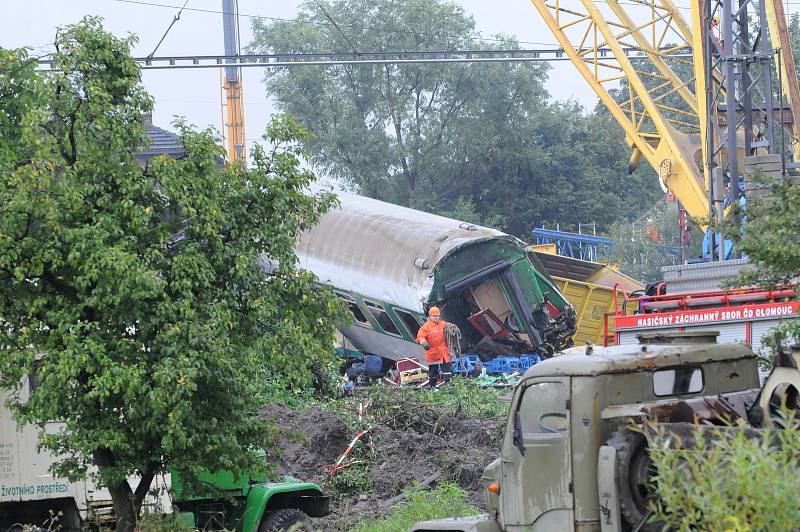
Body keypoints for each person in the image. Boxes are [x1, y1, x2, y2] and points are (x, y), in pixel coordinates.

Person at [416, 306, 452, 386]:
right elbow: (420, 337)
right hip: (433, 354)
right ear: (430, 316)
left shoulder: (443, 324)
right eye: (434, 316)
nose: (436, 317)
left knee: (447, 372)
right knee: (433, 373)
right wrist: (424, 343)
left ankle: (449, 387)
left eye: (438, 316)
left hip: (444, 353)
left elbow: (451, 330)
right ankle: (432, 387)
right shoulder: (425, 327)